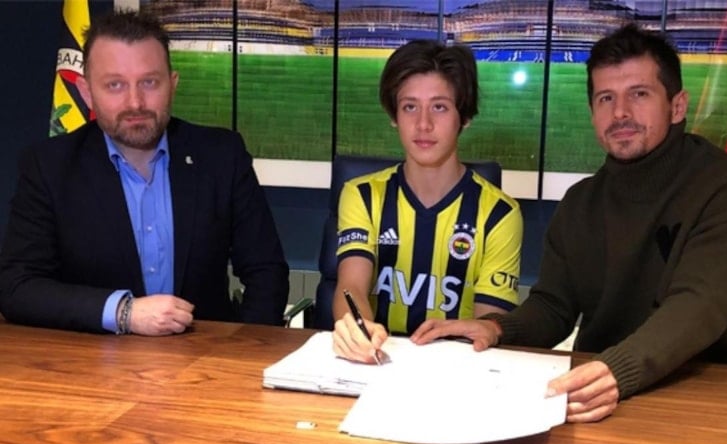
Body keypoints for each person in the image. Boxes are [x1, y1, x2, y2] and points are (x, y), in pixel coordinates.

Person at [410, 23, 727, 422]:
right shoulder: (581, 202)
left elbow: (696, 307)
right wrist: (498, 329)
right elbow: (554, 307)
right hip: (604, 392)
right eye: (606, 98)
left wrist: (616, 370)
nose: (620, 113)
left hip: (719, 396)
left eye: (639, 94)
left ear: (677, 106)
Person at [0, 11, 289, 335]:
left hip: (205, 355)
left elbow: (267, 273)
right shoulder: (49, 166)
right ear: (86, 92)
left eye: (149, 82)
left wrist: (244, 350)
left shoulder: (222, 155)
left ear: (172, 84)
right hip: (91, 357)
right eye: (115, 85)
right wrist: (122, 312)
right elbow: (16, 286)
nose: (135, 102)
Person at [331, 40, 523, 361]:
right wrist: (356, 329)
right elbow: (350, 286)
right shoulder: (361, 195)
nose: (423, 124)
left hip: (458, 369)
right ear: (394, 115)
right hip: (376, 363)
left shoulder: (500, 214)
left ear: (464, 117)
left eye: (439, 107)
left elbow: (488, 324)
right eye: (410, 107)